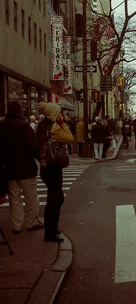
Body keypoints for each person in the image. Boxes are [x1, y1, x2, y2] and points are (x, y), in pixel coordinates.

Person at [0, 101, 43, 234]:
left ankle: (17, 225)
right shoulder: (24, 127)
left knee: (15, 199)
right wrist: (38, 159)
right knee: (31, 197)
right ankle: (31, 222)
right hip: (26, 169)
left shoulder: (2, 126)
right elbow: (34, 147)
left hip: (9, 169)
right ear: (19, 111)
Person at [36, 102, 73, 243]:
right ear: (54, 114)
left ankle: (52, 228)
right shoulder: (54, 128)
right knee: (54, 200)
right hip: (53, 168)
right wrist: (62, 123)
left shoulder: (41, 127)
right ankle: (50, 233)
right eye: (58, 113)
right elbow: (70, 138)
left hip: (46, 168)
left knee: (57, 197)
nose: (61, 115)